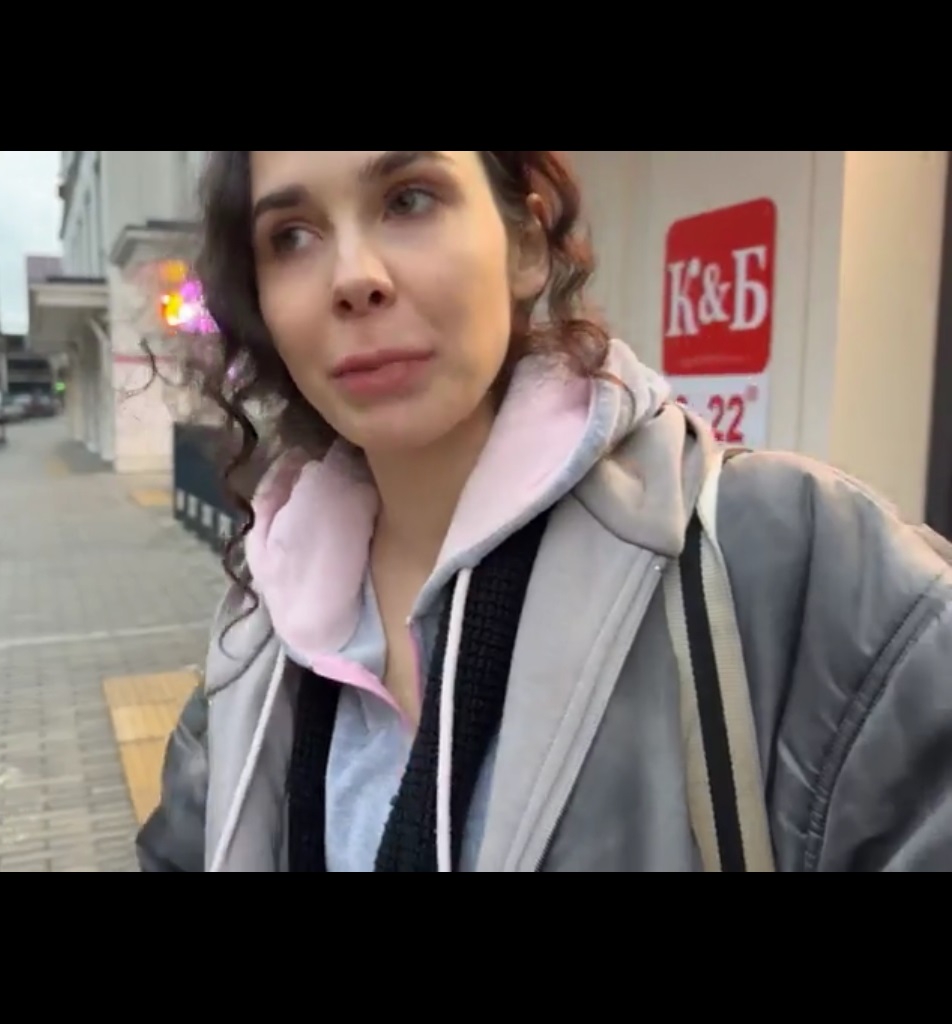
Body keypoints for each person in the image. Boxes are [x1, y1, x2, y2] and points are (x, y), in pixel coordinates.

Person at [136, 151, 952, 872]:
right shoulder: (263, 632)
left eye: (409, 199)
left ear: (524, 244)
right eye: (292, 237)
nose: (353, 276)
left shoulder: (791, 559)